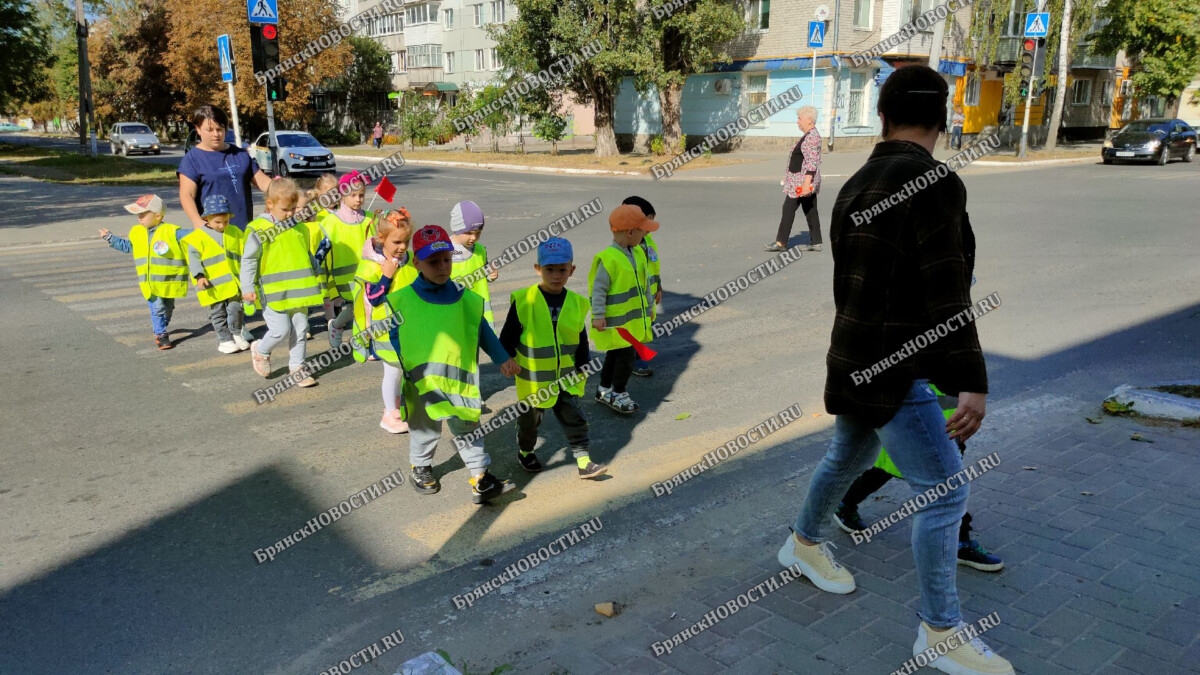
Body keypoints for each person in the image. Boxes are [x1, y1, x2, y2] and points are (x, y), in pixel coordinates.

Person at [775, 65, 1013, 675]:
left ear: (881, 116)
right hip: (894, 365)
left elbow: (855, 287)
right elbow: (947, 288)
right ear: (942, 119)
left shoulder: (856, 183)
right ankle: (940, 631)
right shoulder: (933, 182)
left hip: (851, 355)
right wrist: (972, 380)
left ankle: (802, 543)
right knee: (945, 490)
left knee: (847, 456)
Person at [385, 225, 518, 504]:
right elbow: (396, 335)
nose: (442, 267)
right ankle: (420, 467)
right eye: (434, 262)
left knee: (468, 427)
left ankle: (480, 478)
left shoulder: (464, 298)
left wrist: (502, 357)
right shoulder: (403, 299)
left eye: (446, 260)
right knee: (424, 429)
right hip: (422, 382)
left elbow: (481, 331)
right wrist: (405, 365)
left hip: (459, 382)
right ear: (417, 262)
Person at [833, 383, 1004, 572]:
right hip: (920, 415)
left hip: (942, 418)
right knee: (946, 482)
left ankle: (845, 504)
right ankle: (959, 543)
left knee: (898, 471)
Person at [499, 237, 607, 479]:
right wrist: (505, 359)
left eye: (562, 270)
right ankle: (526, 452)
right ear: (538, 269)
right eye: (549, 270)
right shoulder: (524, 301)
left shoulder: (577, 304)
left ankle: (583, 460)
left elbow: (580, 337)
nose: (556, 275)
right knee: (530, 422)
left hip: (566, 378)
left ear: (572, 270)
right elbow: (508, 335)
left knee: (575, 418)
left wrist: (583, 365)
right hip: (534, 381)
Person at [240, 178, 330, 387]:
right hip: (274, 292)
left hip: (300, 291)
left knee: (300, 329)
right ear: (270, 204)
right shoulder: (259, 229)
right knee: (280, 330)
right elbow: (249, 260)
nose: (290, 214)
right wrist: (247, 287)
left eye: (293, 209)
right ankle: (261, 350)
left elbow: (304, 255)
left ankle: (297, 368)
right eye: (285, 209)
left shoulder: (300, 229)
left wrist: (316, 268)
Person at [588, 204, 659, 414]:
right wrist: (598, 315)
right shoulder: (608, 259)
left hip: (632, 322)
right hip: (617, 323)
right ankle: (618, 392)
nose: (645, 234)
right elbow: (598, 289)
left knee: (614, 356)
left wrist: (649, 307)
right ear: (630, 232)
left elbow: (644, 283)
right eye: (643, 230)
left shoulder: (637, 253)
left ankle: (603, 389)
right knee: (625, 359)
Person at [353, 208, 418, 434]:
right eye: (397, 242)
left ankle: (397, 405)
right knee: (392, 370)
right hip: (384, 329)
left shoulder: (407, 261)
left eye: (406, 241)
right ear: (382, 239)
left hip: (407, 327)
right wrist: (386, 276)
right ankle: (389, 413)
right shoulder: (373, 264)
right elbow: (374, 297)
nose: (402, 247)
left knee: (401, 369)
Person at [98, 194, 188, 350]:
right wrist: (110, 238)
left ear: (158, 216)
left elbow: (192, 237)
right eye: (138, 215)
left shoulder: (171, 231)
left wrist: (208, 230)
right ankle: (161, 334)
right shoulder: (137, 232)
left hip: (167, 281)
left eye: (143, 214)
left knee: (168, 307)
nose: (139, 218)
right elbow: (128, 247)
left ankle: (160, 326)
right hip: (149, 283)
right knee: (157, 307)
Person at [178, 105, 270, 232]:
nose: (216, 134)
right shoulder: (192, 159)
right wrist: (198, 222)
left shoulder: (240, 154)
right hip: (212, 232)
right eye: (209, 130)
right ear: (198, 129)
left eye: (219, 129)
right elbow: (186, 195)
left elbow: (265, 183)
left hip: (243, 231)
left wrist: (287, 191)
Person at [181, 195, 250, 354]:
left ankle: (236, 332)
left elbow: (244, 250)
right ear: (206, 218)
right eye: (218, 222)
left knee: (236, 309)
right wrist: (199, 276)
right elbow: (194, 259)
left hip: (233, 283)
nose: (222, 226)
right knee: (217, 314)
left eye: (226, 221)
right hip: (212, 285)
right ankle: (225, 340)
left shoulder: (234, 232)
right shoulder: (198, 238)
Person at [321, 171, 376, 351]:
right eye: (353, 195)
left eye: (361, 195)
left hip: (367, 274)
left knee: (366, 307)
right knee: (354, 308)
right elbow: (323, 253)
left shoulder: (369, 218)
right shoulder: (332, 222)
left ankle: (363, 343)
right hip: (344, 278)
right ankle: (337, 325)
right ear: (342, 196)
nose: (358, 199)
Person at [766, 105, 823, 253]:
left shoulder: (811, 137)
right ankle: (816, 241)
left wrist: (806, 184)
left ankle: (781, 242)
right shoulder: (810, 135)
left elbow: (812, 162)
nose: (797, 122)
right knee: (810, 209)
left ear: (809, 120)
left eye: (800, 118)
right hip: (799, 180)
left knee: (788, 209)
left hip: (800, 183)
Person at [622, 196, 662, 378]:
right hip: (634, 299)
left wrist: (659, 287)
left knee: (645, 328)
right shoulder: (628, 246)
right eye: (647, 222)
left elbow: (654, 266)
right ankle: (635, 362)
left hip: (649, 298)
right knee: (634, 331)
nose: (650, 228)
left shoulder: (648, 241)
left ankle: (636, 358)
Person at [448, 200, 497, 330]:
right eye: (469, 233)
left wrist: (490, 275)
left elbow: (484, 271)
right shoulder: (445, 250)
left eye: (478, 233)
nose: (474, 238)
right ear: (456, 229)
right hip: (454, 312)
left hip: (478, 312)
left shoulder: (480, 250)